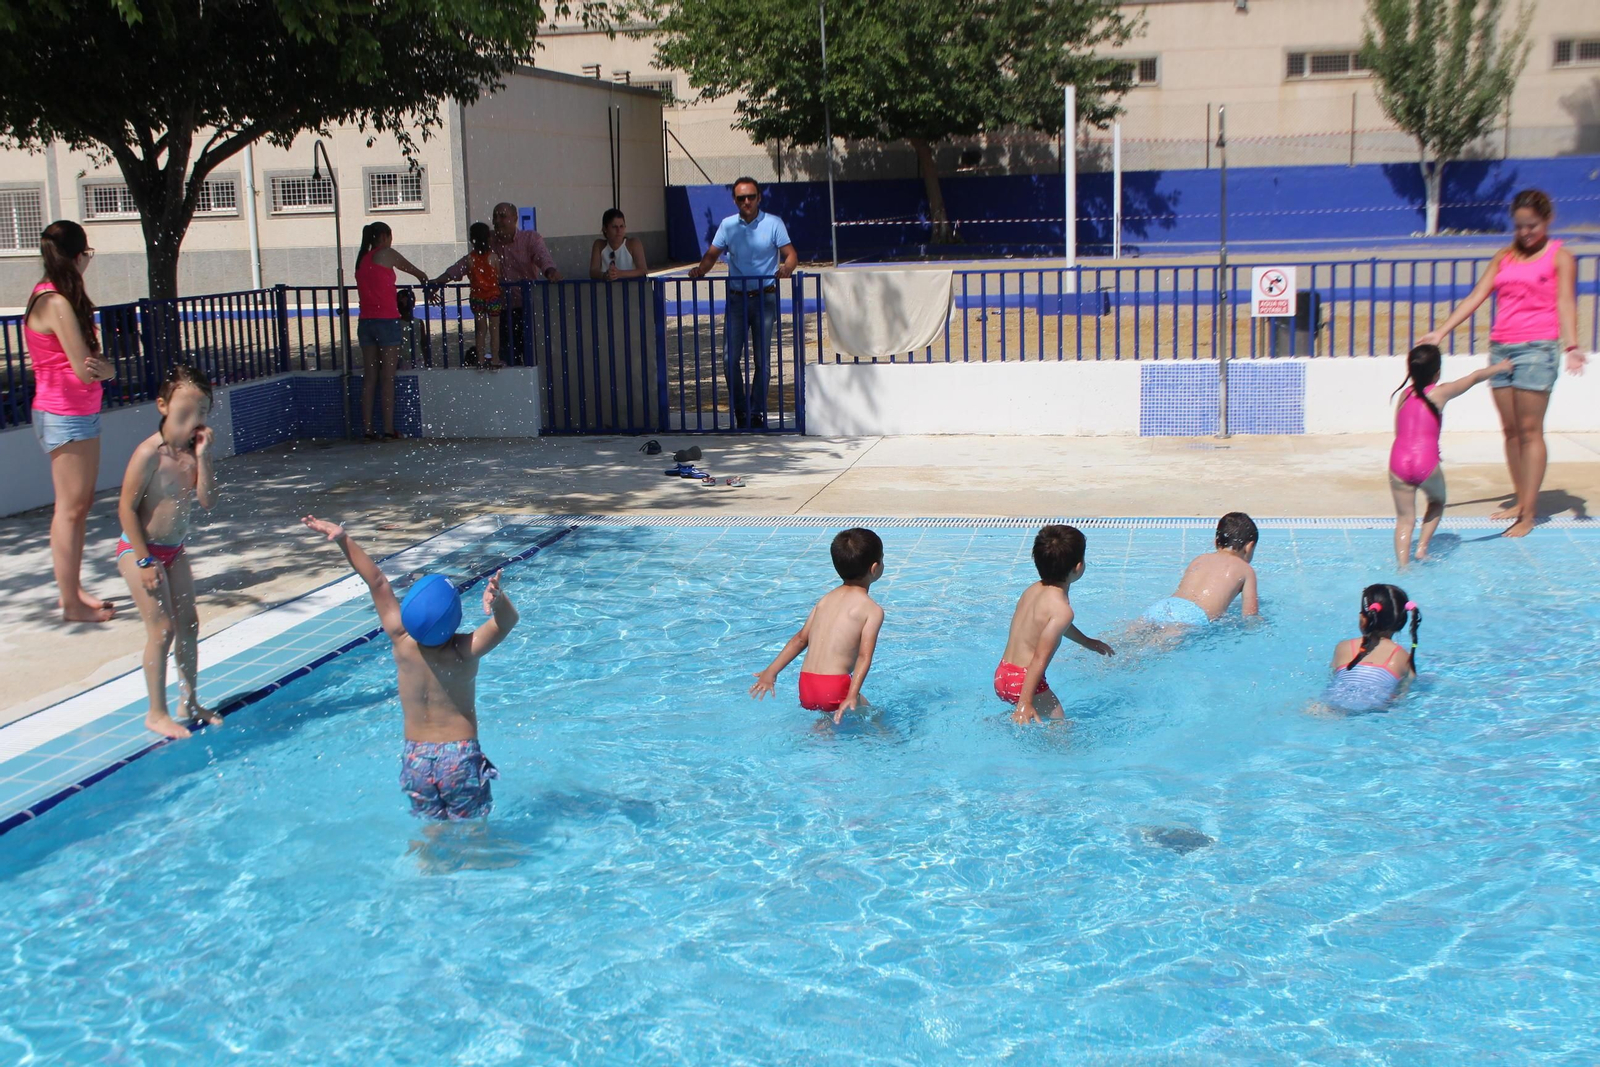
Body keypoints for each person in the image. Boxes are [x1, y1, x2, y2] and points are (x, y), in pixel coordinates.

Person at [302, 516, 519, 820]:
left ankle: (426, 865)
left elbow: (376, 580)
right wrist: (497, 600)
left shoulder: (401, 639)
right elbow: (507, 622)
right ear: (453, 618)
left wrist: (343, 539)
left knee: (431, 829)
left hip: (416, 757)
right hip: (458, 756)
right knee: (473, 828)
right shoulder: (464, 650)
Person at [1418, 189, 1585, 538]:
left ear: (1547, 220)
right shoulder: (1504, 257)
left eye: (1532, 226)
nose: (1525, 233)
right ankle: (1521, 501)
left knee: (1529, 431)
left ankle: (1529, 513)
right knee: (1510, 431)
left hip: (1538, 348)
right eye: (1520, 226)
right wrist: (1441, 332)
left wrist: (1571, 345)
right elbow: (1477, 295)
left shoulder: (1560, 257)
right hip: (1501, 349)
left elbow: (1567, 303)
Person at [116, 364, 221, 740]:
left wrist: (205, 457)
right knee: (161, 630)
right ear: (162, 406)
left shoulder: (193, 454)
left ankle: (189, 702)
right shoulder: (149, 454)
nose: (194, 422)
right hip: (139, 550)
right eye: (185, 415)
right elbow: (126, 509)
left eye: (203, 414)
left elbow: (208, 501)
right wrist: (144, 560)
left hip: (175, 551)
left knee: (189, 624)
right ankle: (156, 713)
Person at [26, 220, 119, 623]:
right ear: (79, 256)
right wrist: (110, 370)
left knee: (78, 508)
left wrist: (104, 369)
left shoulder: (49, 295)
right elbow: (87, 369)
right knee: (70, 509)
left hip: (72, 412)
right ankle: (71, 603)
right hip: (64, 413)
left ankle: (74, 591)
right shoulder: (56, 303)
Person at [686, 178, 798, 429]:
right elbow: (712, 255)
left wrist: (787, 268)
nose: (746, 202)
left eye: (750, 197)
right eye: (740, 198)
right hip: (737, 299)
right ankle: (741, 411)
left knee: (762, 360)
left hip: (765, 298)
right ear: (735, 200)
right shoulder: (728, 225)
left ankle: (756, 412)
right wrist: (700, 271)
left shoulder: (773, 223)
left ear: (759, 197)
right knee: (729, 358)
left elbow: (791, 254)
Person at [1387, 344, 1512, 568]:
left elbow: (1400, 430)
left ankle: (1402, 569)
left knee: (1404, 520)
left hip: (1398, 460)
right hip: (1425, 461)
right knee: (1437, 501)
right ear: (1437, 372)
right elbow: (1474, 378)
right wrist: (1501, 367)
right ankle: (1422, 548)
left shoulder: (1403, 396)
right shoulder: (1440, 392)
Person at [750, 527, 885, 723]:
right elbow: (864, 657)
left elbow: (800, 639)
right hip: (835, 686)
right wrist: (851, 694)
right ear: (875, 568)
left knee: (826, 714)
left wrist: (771, 672)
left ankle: (822, 732)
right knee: (874, 718)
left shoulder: (825, 600)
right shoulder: (872, 610)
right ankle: (887, 741)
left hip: (806, 685)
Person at [996, 525, 1113, 725]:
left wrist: (1086, 641)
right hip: (1023, 682)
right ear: (1078, 566)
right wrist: (1024, 702)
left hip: (1003, 675)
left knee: (1040, 722)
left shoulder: (1032, 590)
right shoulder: (1062, 610)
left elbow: (1048, 626)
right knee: (1060, 727)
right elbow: (1040, 658)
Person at [434, 202, 562, 367]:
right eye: (495, 216)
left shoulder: (530, 238)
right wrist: (441, 280)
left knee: (533, 356)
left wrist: (550, 272)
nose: (497, 220)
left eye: (502, 216)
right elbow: (463, 265)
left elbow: (543, 258)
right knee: (507, 356)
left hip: (527, 308)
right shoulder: (488, 241)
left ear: (515, 219)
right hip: (501, 309)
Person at [354, 222, 430, 439]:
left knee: (370, 378)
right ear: (385, 236)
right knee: (387, 378)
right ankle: (388, 429)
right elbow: (415, 271)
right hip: (386, 321)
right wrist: (425, 280)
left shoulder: (362, 260)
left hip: (365, 322)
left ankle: (367, 430)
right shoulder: (386, 253)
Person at [1140, 512, 1261, 630]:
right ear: (1249, 547)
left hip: (1165, 606)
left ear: (1216, 542)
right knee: (1162, 644)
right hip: (1191, 617)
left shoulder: (1200, 559)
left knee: (1133, 635)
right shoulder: (1246, 570)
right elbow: (1250, 616)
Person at [1320, 584, 1418, 714]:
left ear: (1364, 618)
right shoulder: (1402, 657)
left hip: (1329, 705)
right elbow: (1403, 693)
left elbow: (1333, 679)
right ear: (1402, 621)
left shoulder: (1343, 647)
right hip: (1373, 710)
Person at [432, 222, 506, 369]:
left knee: (480, 329)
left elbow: (456, 272)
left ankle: (479, 359)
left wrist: (437, 281)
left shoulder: (470, 259)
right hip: (493, 297)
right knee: (494, 329)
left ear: (472, 239)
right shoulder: (493, 257)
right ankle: (495, 359)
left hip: (477, 297)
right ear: (488, 238)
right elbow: (499, 276)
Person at [589, 208, 650, 281]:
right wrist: (605, 275)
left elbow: (643, 270)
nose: (619, 231)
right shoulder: (599, 245)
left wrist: (620, 274)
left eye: (621, 226)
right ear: (605, 229)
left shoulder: (633, 243)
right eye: (614, 227)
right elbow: (593, 272)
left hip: (632, 289)